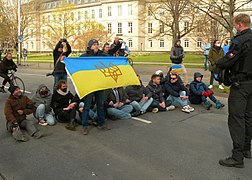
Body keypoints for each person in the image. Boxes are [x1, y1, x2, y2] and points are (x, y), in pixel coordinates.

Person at [215, 14, 252, 168]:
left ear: (239, 24)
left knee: (236, 119)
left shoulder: (240, 40)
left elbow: (230, 58)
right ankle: (246, 149)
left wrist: (218, 64)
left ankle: (237, 157)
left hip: (240, 84)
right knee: (248, 117)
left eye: (235, 24)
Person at [80, 39, 110, 135]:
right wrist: (65, 59)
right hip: (89, 85)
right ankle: (84, 125)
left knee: (100, 105)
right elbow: (76, 63)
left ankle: (101, 123)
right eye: (94, 44)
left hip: (99, 84)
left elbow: (110, 59)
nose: (96, 46)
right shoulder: (85, 56)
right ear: (90, 46)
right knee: (87, 106)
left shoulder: (101, 55)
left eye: (97, 44)